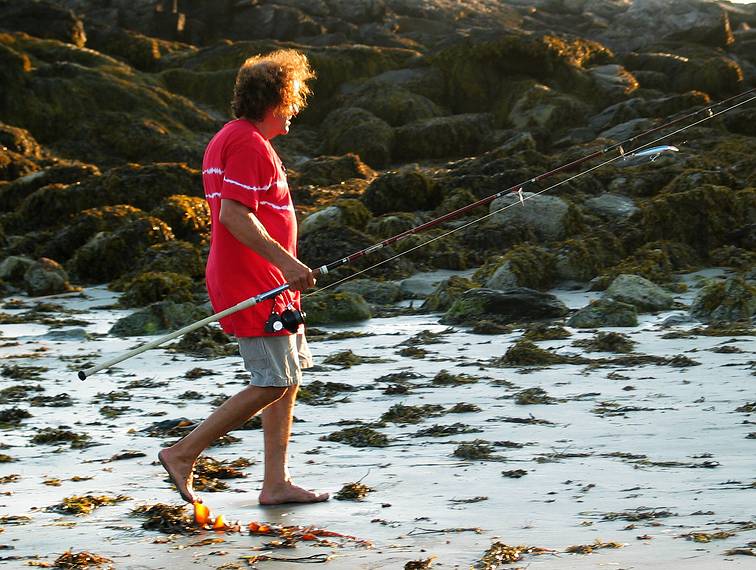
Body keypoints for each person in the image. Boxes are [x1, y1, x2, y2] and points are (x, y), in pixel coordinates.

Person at [158, 49, 328, 506]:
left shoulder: (231, 137)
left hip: (270, 280)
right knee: (272, 379)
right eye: (293, 98)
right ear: (277, 100)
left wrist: (284, 268)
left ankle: (276, 482)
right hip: (255, 281)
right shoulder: (249, 143)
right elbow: (235, 216)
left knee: (287, 377)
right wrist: (289, 265)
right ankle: (183, 453)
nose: (296, 108)